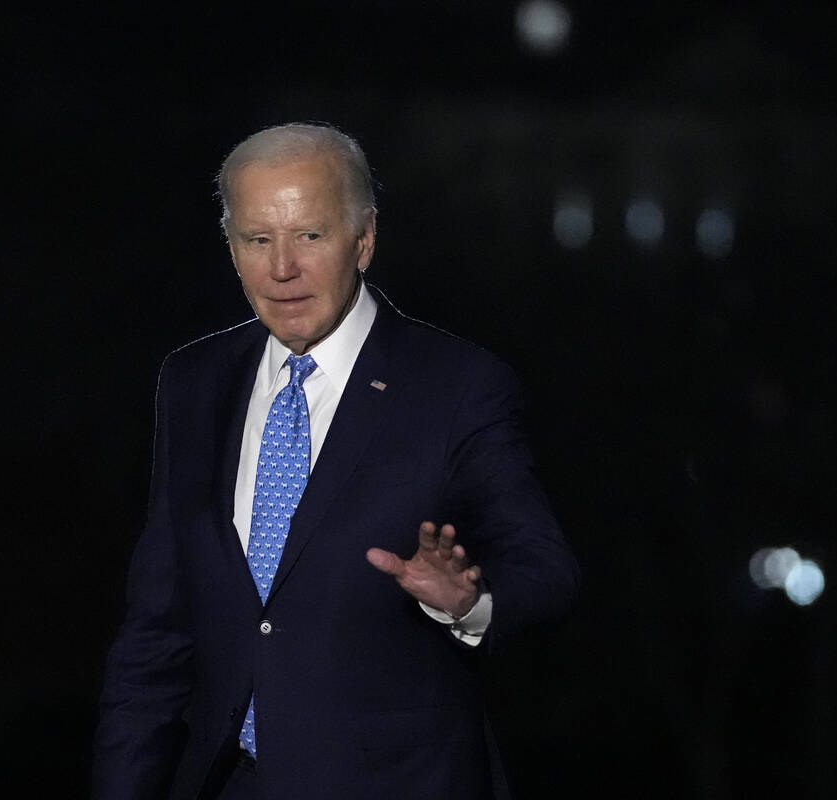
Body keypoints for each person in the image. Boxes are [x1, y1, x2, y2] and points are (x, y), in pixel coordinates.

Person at [93, 122, 578, 799]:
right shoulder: (194, 382)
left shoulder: (457, 385)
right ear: (231, 249)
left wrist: (468, 602)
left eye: (310, 236)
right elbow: (158, 629)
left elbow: (545, 567)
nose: (282, 267)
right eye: (258, 240)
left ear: (365, 239)